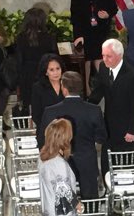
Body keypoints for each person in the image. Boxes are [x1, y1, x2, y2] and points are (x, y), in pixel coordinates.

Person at [37, 72, 107, 200]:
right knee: (91, 201)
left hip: (59, 164)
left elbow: (42, 140)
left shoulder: (50, 112)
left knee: (62, 201)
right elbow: (101, 137)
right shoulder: (94, 110)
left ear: (64, 88)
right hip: (87, 162)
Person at [88, 38, 134, 175]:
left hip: (128, 129)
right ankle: (108, 185)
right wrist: (85, 107)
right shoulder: (103, 67)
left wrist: (132, 130)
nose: (104, 59)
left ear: (119, 55)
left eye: (109, 56)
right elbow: (98, 91)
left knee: (125, 166)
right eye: (103, 55)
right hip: (109, 126)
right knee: (107, 163)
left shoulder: (133, 75)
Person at [70, 0, 118, 77]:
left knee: (99, 58)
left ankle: (103, 83)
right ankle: (87, 85)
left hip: (100, 31)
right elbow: (75, 16)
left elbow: (113, 8)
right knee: (86, 60)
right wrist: (78, 35)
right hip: (84, 32)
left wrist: (107, 14)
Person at [15, 8, 59, 116]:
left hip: (27, 75)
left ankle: (31, 124)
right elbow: (55, 58)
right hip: (45, 74)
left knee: (29, 104)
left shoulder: (21, 38)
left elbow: (19, 61)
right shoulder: (49, 38)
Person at [38, 118, 81, 216]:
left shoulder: (42, 157)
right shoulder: (59, 164)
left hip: (48, 208)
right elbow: (64, 194)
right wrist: (79, 205)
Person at [31, 55, 65, 128]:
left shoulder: (67, 84)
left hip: (66, 128)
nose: (56, 72)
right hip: (46, 129)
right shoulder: (38, 88)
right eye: (51, 70)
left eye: (58, 68)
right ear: (46, 72)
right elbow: (36, 115)